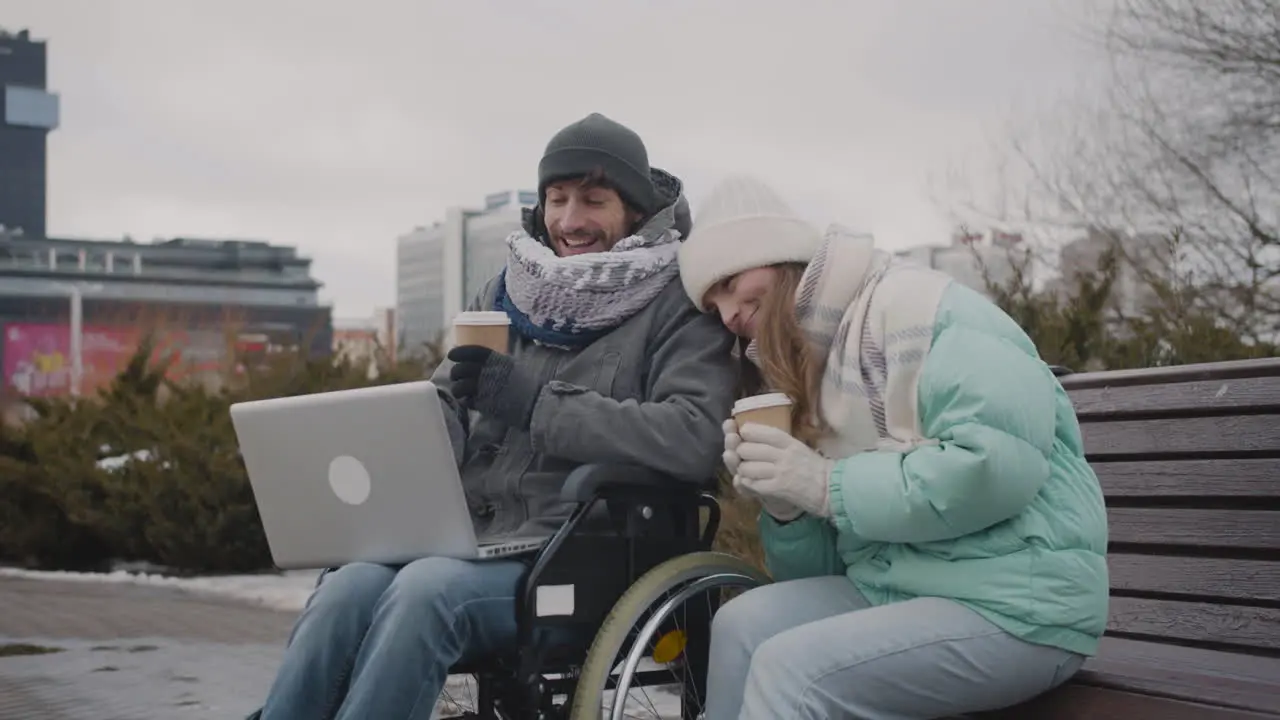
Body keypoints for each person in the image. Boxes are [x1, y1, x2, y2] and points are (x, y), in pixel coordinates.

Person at [253, 114, 737, 720]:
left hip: (583, 547)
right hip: (468, 538)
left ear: (635, 209)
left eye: (593, 199)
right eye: (556, 199)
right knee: (347, 587)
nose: (569, 220)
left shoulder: (680, 303)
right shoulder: (506, 292)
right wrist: (427, 426)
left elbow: (694, 437)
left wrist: (538, 404)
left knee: (424, 593)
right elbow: (447, 398)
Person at [676, 174, 1110, 720]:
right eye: (713, 303)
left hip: (1018, 604)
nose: (728, 315)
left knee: (795, 670)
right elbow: (826, 570)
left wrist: (824, 485)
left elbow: (994, 468)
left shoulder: (921, 309)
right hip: (899, 588)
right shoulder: (813, 366)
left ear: (779, 255)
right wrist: (788, 506)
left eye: (730, 282)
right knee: (741, 625)